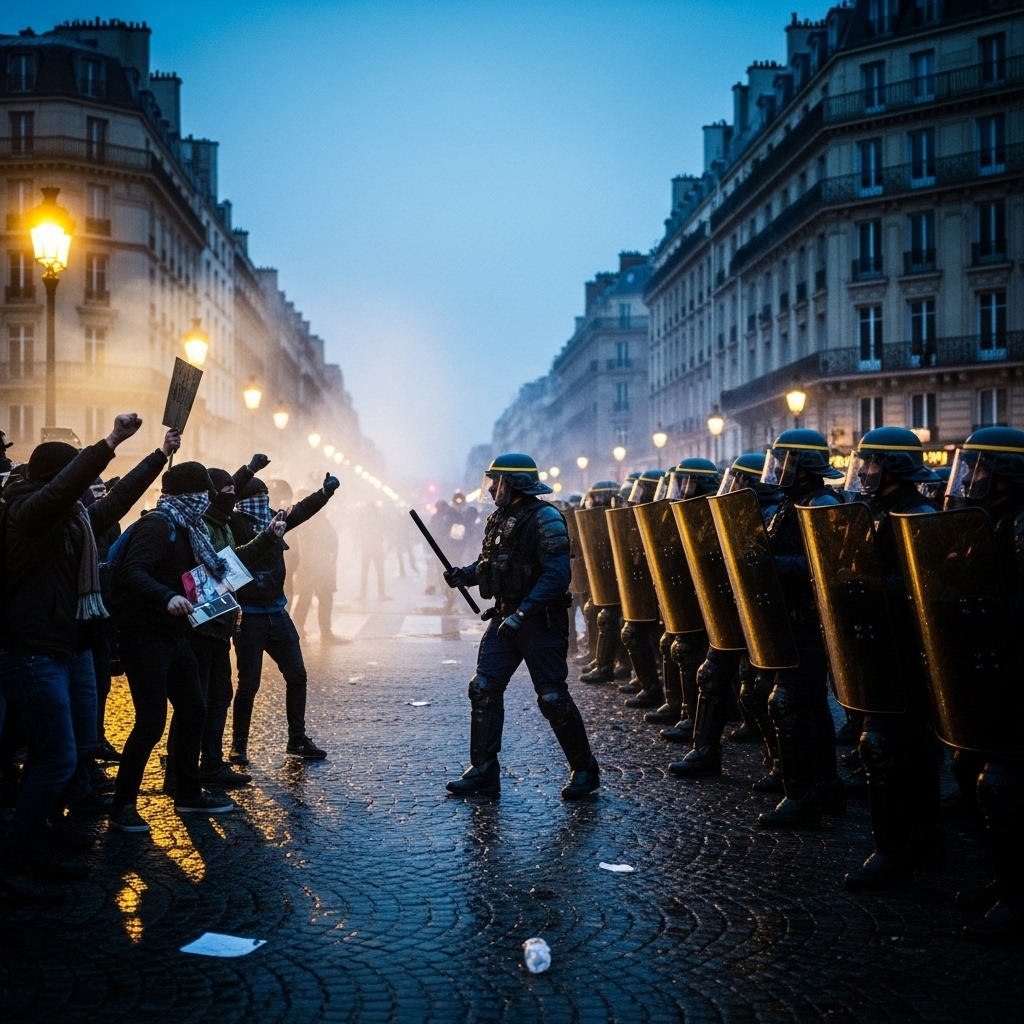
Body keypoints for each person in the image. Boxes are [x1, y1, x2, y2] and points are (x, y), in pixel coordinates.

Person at [0, 413, 147, 888]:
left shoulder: (70, 522)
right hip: (30, 651)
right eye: (79, 481)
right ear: (58, 479)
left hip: (55, 649)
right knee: (59, 757)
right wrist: (109, 441)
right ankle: (17, 861)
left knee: (49, 755)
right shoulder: (28, 514)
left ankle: (37, 840)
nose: (90, 492)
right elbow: (65, 492)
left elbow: (117, 499)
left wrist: (160, 457)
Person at [442, 453, 598, 800]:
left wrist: (523, 614)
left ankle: (585, 769)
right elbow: (492, 565)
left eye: (497, 481)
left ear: (514, 482)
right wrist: (464, 576)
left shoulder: (546, 518)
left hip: (539, 620)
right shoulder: (500, 518)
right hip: (506, 617)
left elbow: (557, 575)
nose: (492, 488)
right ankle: (484, 770)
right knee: (483, 687)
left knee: (553, 698)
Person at [838, 427, 943, 890]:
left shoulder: (917, 514)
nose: (865, 471)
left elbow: (924, 583)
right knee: (899, 746)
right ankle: (919, 839)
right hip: (882, 644)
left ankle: (896, 848)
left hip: (907, 650)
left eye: (872, 463)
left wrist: (867, 584)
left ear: (894, 466)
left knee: (891, 747)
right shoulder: (881, 510)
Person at [108, 461, 237, 832]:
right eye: (203, 495)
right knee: (150, 723)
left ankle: (188, 792)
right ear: (188, 496)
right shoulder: (158, 524)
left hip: (175, 636)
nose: (207, 502)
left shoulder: (190, 527)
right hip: (144, 637)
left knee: (194, 708)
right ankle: (123, 807)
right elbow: (133, 571)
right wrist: (166, 597)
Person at [943, 426, 1024, 942]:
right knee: (971, 765)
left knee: (1003, 783)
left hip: (1014, 671)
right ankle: (1002, 881)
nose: (968, 477)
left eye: (978, 467)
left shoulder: (1019, 524)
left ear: (1004, 473)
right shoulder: (990, 519)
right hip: (988, 665)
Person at [163, 458, 286, 794]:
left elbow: (232, 563)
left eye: (235, 492)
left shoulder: (222, 524)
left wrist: (267, 537)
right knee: (194, 702)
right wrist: (248, 469)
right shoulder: (196, 524)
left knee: (219, 696)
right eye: (226, 492)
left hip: (220, 623)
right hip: (199, 626)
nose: (231, 497)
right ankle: (178, 771)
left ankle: (211, 763)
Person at [757, 429, 846, 827]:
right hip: (791, 619)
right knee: (808, 704)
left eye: (784, 461)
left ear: (801, 465)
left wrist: (771, 566)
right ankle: (822, 784)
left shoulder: (822, 503)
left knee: (792, 703)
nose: (777, 468)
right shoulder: (792, 503)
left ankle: (805, 794)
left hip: (810, 620)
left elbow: (823, 565)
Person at [229, 472, 339, 764]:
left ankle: (297, 740)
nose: (264, 501)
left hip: (276, 612)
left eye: (266, 496)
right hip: (248, 615)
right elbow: (221, 502)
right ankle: (238, 745)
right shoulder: (235, 523)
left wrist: (324, 493)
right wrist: (247, 470)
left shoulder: (275, 518)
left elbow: (300, 511)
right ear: (244, 501)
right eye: (258, 497)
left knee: (297, 675)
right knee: (248, 683)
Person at [291, 497, 343, 642]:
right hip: (312, 567)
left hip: (318, 567)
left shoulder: (313, 523)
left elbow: (332, 545)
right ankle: (310, 631)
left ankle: (307, 630)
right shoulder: (311, 524)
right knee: (309, 599)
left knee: (315, 599)